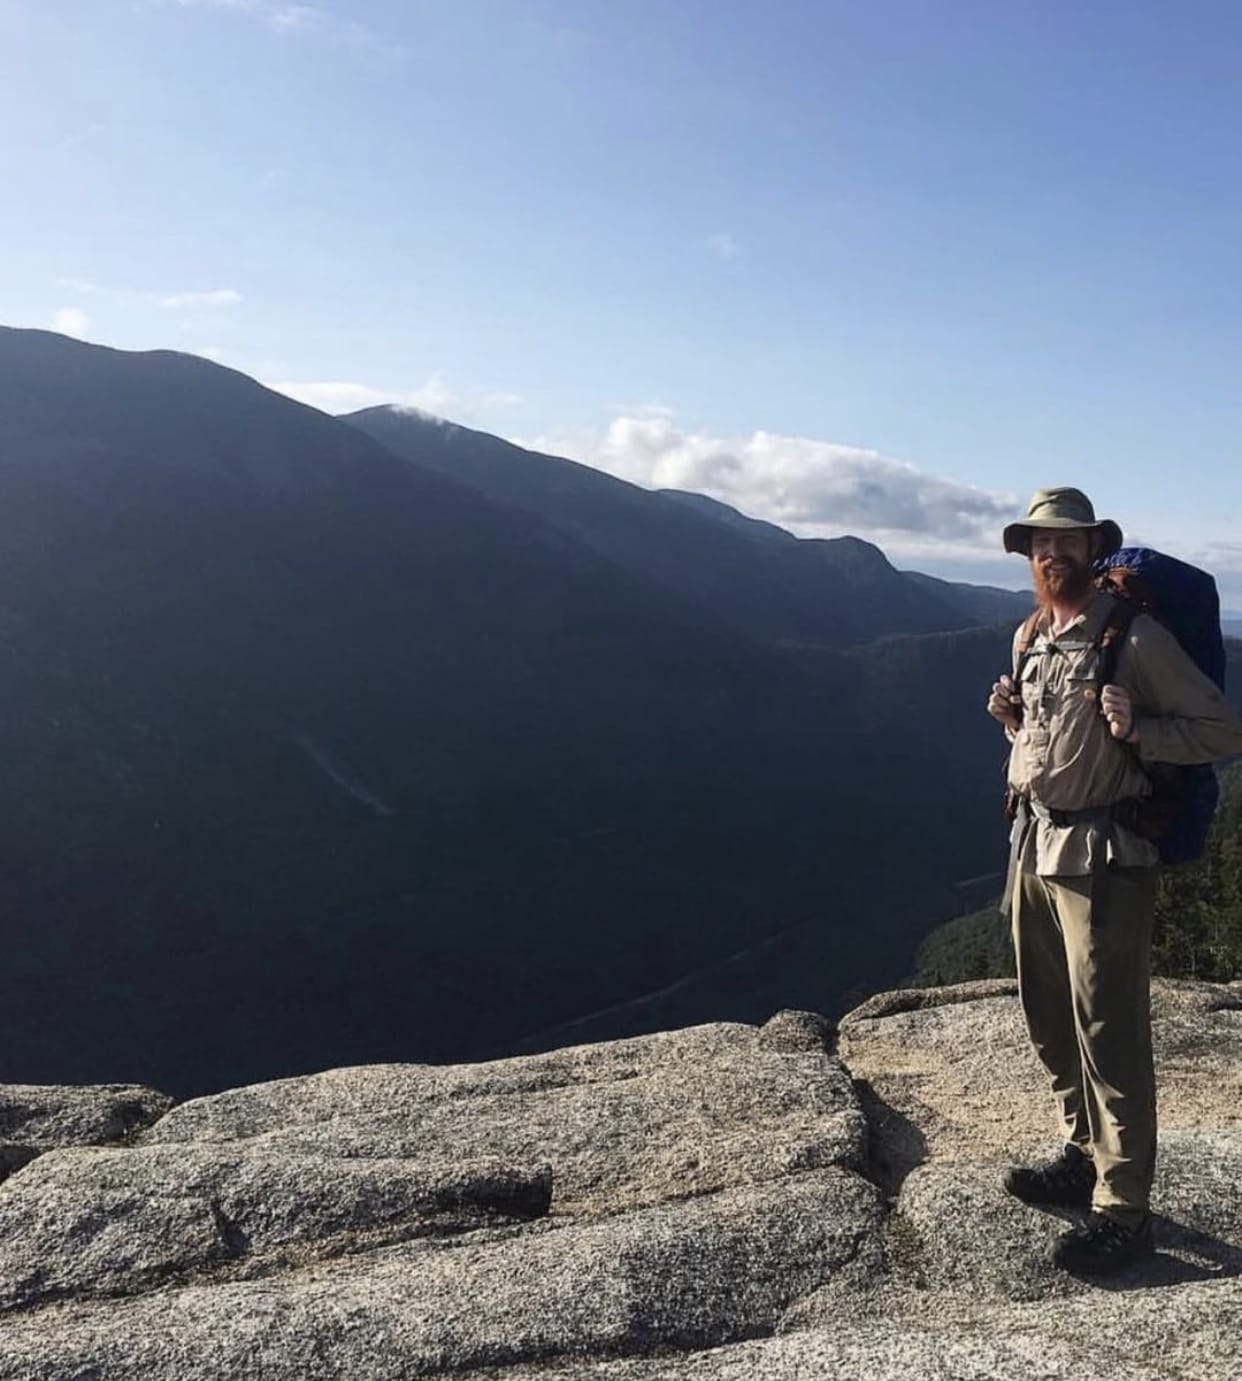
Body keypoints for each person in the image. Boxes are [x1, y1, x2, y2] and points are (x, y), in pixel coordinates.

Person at [987, 486, 1242, 1275]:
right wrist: (1012, 719)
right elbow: (1051, 736)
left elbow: (1221, 728)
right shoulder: (1032, 632)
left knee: (1110, 1029)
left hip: (1103, 856)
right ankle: (1079, 1145)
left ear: (1095, 548)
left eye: (1066, 541)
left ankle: (1122, 1206)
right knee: (1047, 1013)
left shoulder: (1132, 637)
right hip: (1033, 842)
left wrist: (1142, 728)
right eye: (1039, 542)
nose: (1051, 553)